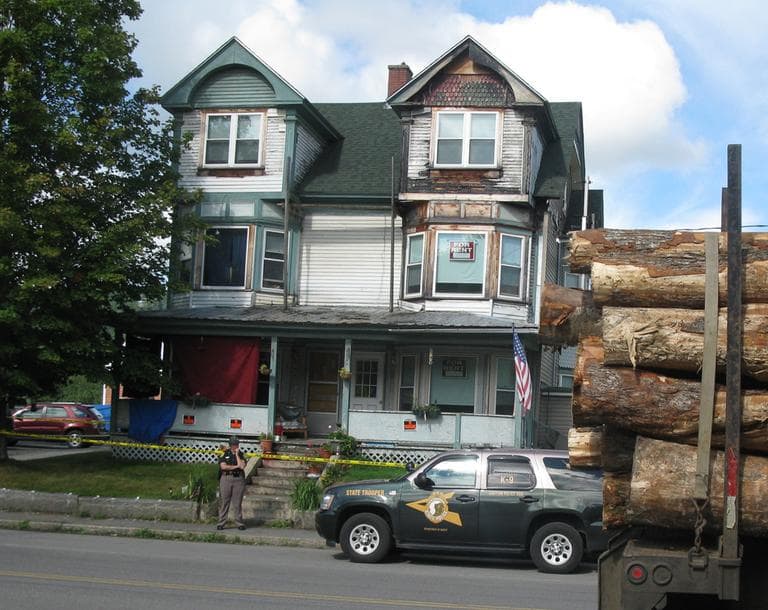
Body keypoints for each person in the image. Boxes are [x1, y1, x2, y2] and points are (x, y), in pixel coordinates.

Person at [217, 435, 247, 530]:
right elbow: (223, 466)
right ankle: (221, 522)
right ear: (230, 445)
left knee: (237, 502)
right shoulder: (224, 454)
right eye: (233, 445)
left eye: (236, 444)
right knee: (224, 501)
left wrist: (237, 455)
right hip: (226, 478)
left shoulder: (241, 454)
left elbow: (242, 466)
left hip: (238, 479)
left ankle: (239, 523)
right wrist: (235, 466)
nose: (235, 446)